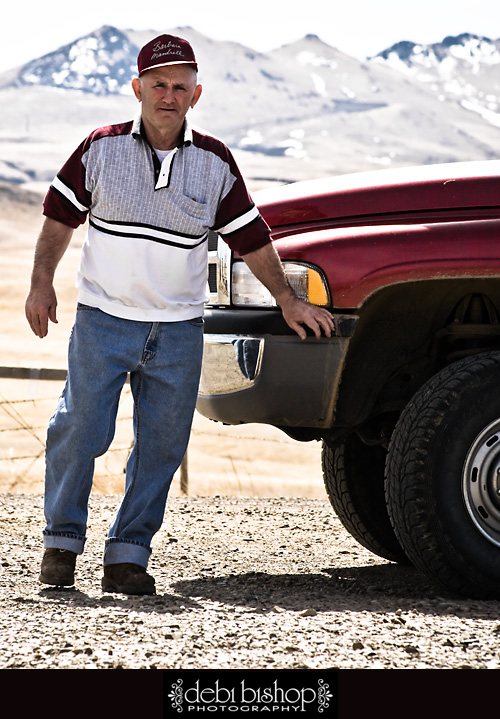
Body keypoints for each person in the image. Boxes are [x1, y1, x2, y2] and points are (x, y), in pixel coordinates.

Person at [25, 34, 335, 595]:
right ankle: (61, 544)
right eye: (159, 84)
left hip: (178, 330)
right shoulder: (99, 148)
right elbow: (57, 219)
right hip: (103, 320)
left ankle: (127, 556)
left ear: (196, 95)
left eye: (180, 86)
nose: (169, 95)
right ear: (137, 88)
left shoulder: (215, 162)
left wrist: (287, 298)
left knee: (163, 446)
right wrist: (40, 283)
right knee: (79, 429)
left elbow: (250, 238)